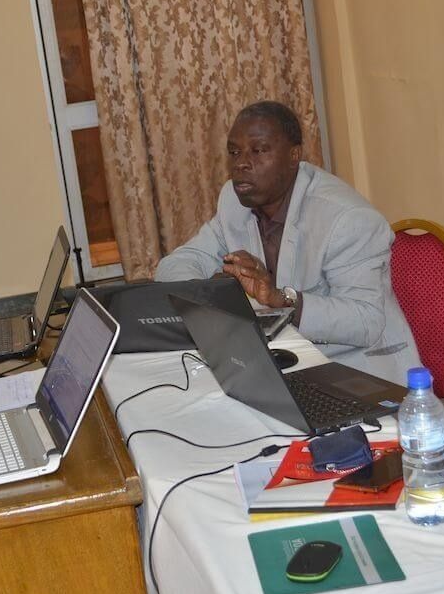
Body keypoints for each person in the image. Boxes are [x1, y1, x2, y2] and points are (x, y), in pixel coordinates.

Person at [155, 101, 419, 384]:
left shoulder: (346, 219)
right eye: (234, 152)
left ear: (294, 156)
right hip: (283, 363)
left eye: (258, 151)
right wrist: (209, 294)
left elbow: (365, 322)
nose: (241, 163)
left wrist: (282, 299)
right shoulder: (234, 200)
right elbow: (178, 263)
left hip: (357, 372)